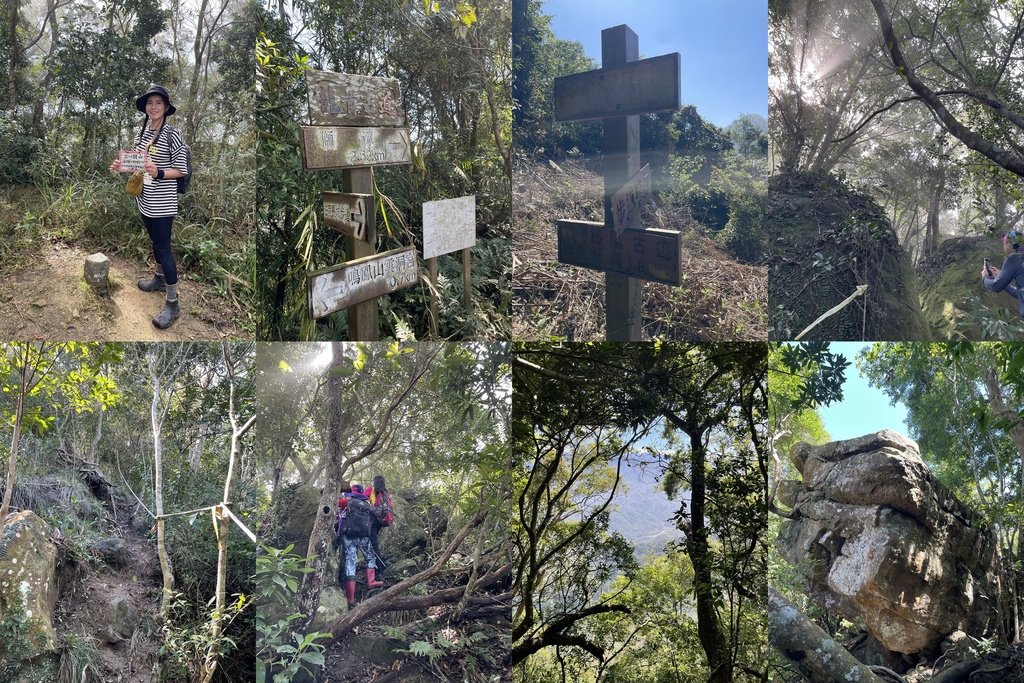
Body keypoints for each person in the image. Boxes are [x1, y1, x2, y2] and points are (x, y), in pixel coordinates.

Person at [109, 84, 189, 329]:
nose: (153, 107)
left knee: (164, 248)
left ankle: (173, 302)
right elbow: (137, 163)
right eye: (149, 103)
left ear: (166, 108)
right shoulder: (142, 132)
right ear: (145, 108)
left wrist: (160, 171)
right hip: (145, 198)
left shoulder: (172, 134)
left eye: (158, 103)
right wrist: (122, 166)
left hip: (163, 201)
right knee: (154, 243)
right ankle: (159, 278)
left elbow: (181, 169)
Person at [337, 482, 383, 608]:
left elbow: (336, 503)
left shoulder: (347, 501)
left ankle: (351, 599)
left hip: (349, 536)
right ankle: (372, 582)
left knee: (350, 564)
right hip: (364, 536)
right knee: (370, 558)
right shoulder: (366, 505)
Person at [982, 230, 1024, 316]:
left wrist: (984, 278)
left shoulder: (1014, 258)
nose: (1004, 248)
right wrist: (1001, 276)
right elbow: (1020, 295)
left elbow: (996, 286)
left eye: (1004, 245)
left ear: (1008, 243)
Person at [364, 475, 394, 573]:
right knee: (373, 543)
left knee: (373, 544)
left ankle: (379, 568)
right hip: (381, 522)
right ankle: (378, 565)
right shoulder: (385, 493)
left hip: (372, 520)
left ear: (374, 482)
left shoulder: (371, 489)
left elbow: (361, 498)